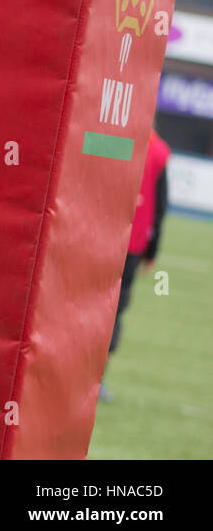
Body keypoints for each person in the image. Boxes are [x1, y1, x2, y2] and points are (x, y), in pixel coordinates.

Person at [101, 129, 170, 402]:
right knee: (115, 309)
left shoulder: (113, 136)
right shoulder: (160, 151)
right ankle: (98, 381)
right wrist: (152, 252)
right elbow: (160, 207)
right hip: (133, 243)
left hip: (100, 237)